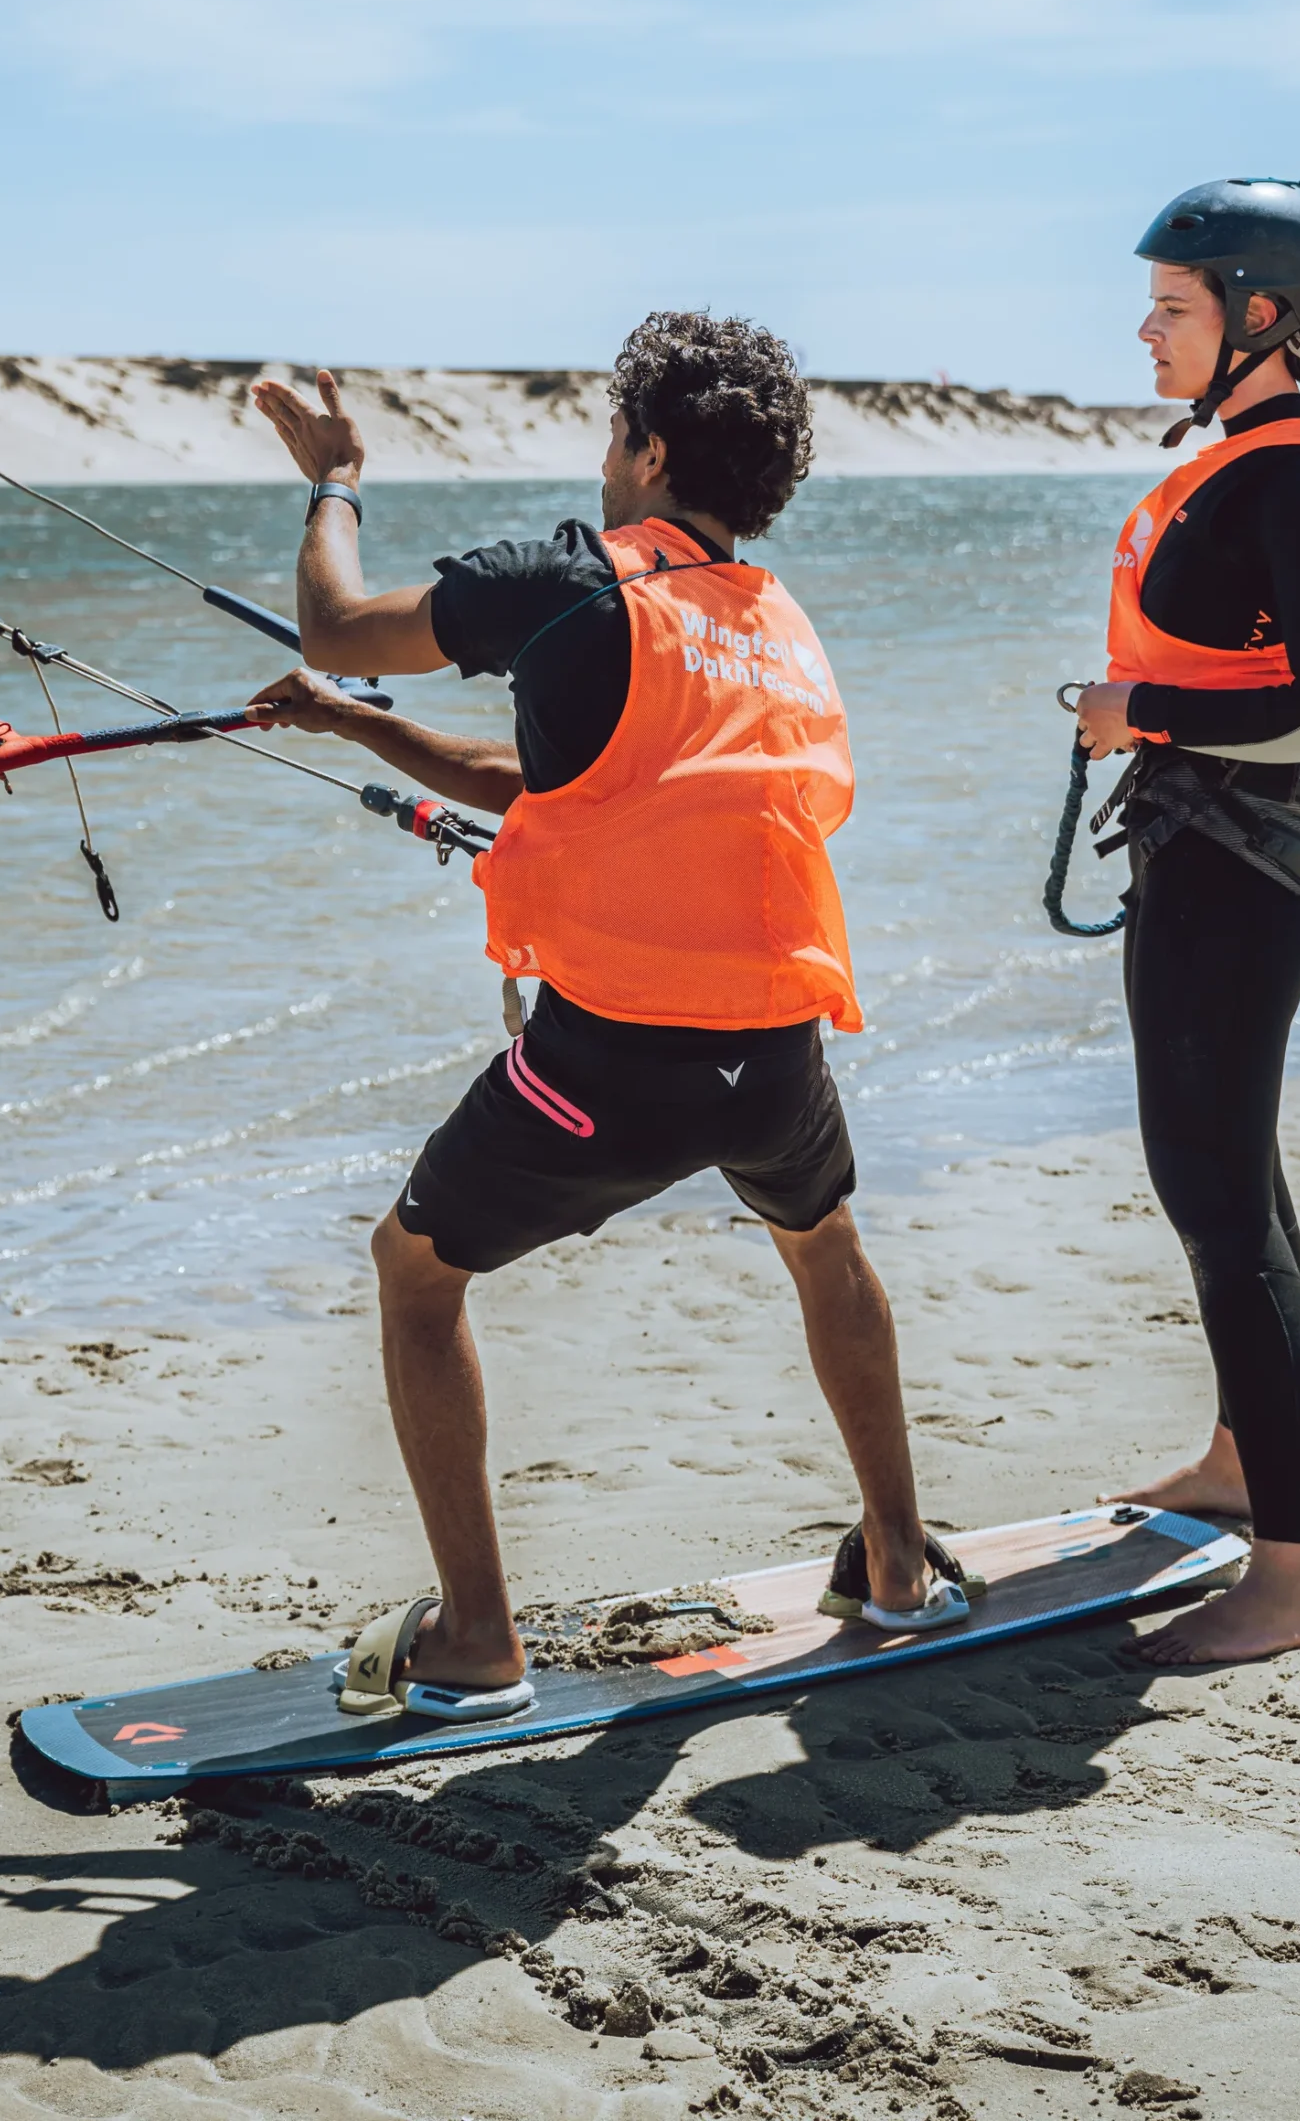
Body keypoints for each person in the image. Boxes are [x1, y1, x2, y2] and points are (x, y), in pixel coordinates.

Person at [246, 312, 971, 1720]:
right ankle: (893, 1560)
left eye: (608, 431)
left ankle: (474, 1638)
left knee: (413, 1272)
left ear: (645, 446)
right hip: (772, 1050)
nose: (600, 458)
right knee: (823, 1246)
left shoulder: (570, 582)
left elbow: (335, 620)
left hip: (610, 1066)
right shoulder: (769, 622)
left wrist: (333, 479)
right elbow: (566, 779)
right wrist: (363, 729)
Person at [1074, 172, 1300, 1667]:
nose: (1143, 330)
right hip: (1201, 869)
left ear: (1259, 315)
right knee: (1226, 1195)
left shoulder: (1297, 484)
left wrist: (1136, 706)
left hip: (1243, 885)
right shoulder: (1244, 459)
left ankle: (1290, 1578)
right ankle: (1237, 1462)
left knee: (1220, 1208)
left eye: (1172, 307)